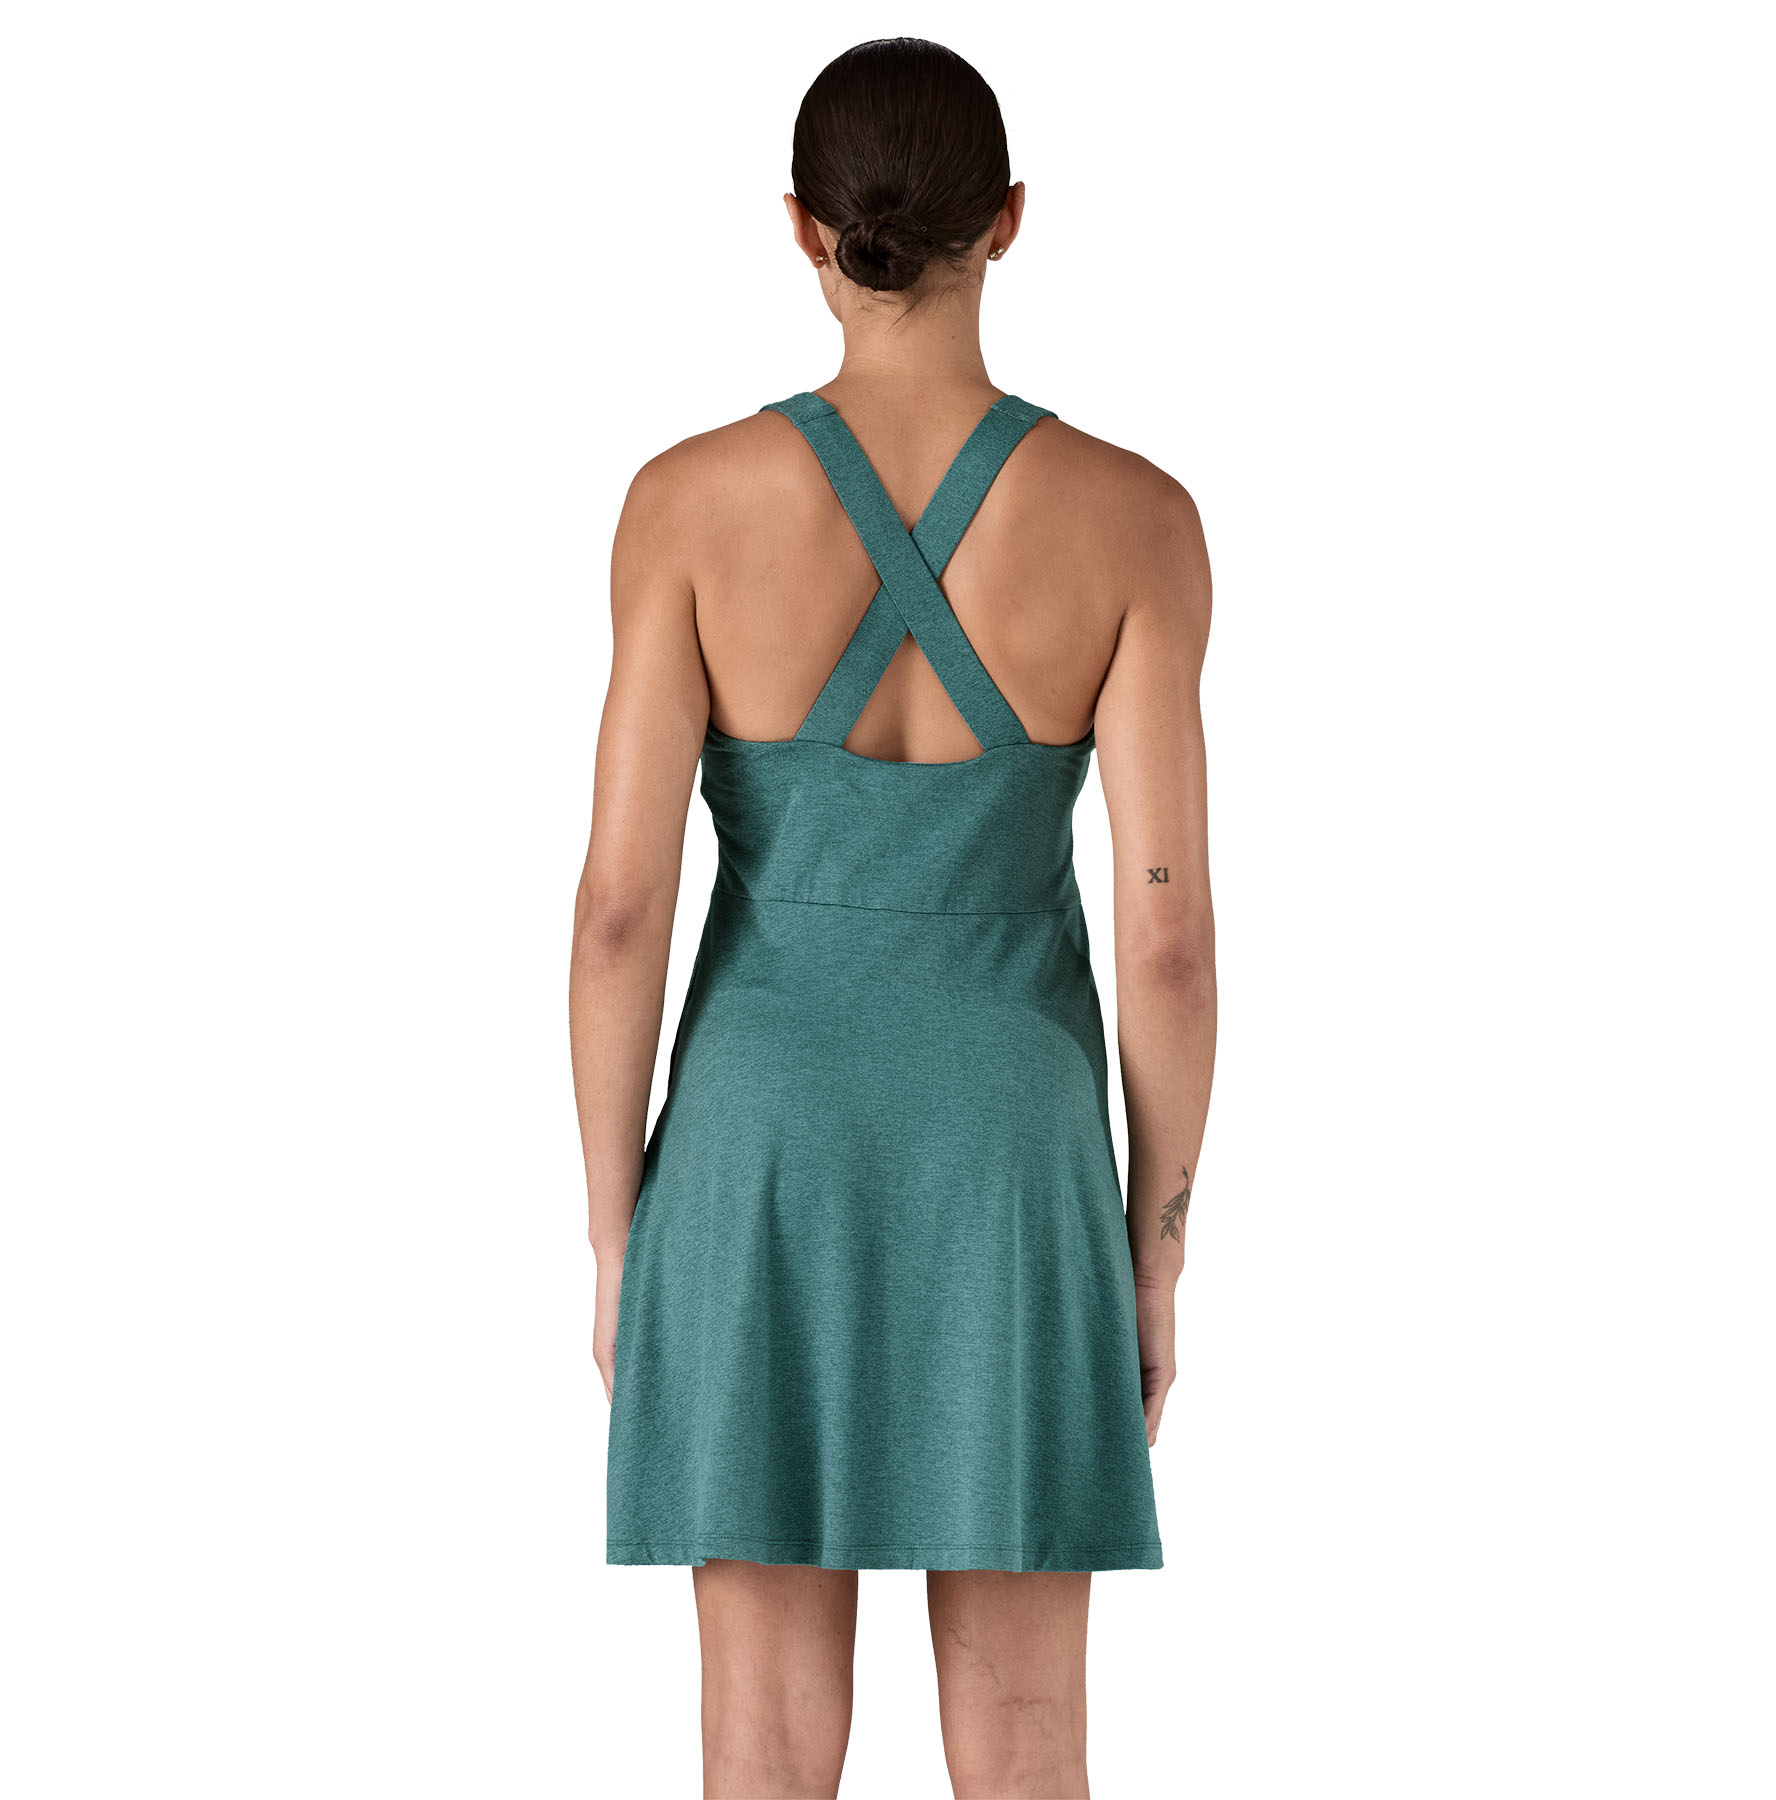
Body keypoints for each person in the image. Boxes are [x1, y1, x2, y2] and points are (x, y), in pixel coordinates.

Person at [570, 37, 1216, 1800]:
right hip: (1011, 1153)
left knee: (763, 1746)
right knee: (1025, 1740)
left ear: (803, 228)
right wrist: (1154, 1250)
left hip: (759, 1146)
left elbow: (621, 910)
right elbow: (1168, 944)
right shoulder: (1138, 521)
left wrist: (622, 1234)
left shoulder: (684, 504)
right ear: (1008, 221)